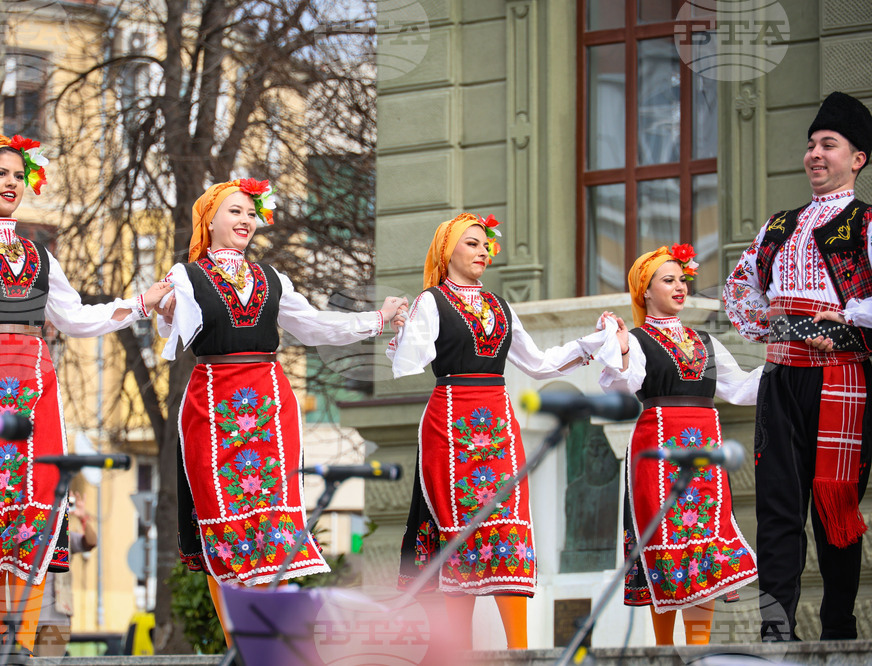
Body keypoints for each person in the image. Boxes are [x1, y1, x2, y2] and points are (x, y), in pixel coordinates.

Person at [0, 134, 171, 657]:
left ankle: (23, 652)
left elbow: (74, 318)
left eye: (17, 175)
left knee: (36, 509)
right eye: (0, 174)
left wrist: (140, 304)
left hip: (35, 384)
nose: (11, 183)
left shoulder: (39, 256)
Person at [155, 178, 407, 644]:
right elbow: (171, 332)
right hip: (213, 405)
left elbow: (314, 325)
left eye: (251, 213)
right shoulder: (186, 275)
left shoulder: (272, 279)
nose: (245, 220)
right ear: (209, 219)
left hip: (270, 404)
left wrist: (375, 318)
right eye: (235, 211)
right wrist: (165, 308)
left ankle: (281, 643)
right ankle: (243, 647)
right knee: (224, 523)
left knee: (272, 522)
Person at [385, 213, 618, 650]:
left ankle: (521, 652)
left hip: (497, 420)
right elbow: (406, 364)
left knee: (509, 528)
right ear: (446, 250)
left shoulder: (500, 306)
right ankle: (458, 654)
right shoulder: (433, 302)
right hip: (451, 422)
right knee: (461, 535)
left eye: (485, 244)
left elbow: (539, 363)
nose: (482, 251)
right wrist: (404, 327)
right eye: (472, 243)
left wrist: (594, 342)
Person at [724, 91, 872, 641]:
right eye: (811, 144)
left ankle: (837, 628)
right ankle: (776, 628)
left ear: (857, 158)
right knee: (778, 505)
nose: (814, 154)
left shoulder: (863, 222)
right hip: (782, 377)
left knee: (836, 506)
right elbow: (740, 289)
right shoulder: (780, 225)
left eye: (828, 144)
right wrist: (783, 327)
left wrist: (843, 318)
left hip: (842, 379)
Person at [600, 244, 760, 645]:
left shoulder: (704, 341)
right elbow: (624, 385)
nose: (679, 287)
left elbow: (740, 388)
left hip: (704, 448)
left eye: (682, 280)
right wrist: (618, 349)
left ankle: (699, 648)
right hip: (658, 449)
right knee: (663, 540)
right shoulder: (636, 340)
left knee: (700, 542)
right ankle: (663, 650)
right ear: (645, 292)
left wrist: (785, 365)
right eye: (668, 280)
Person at [34, 492, 97, 657]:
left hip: (57, 617)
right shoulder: (26, 533)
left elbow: (91, 542)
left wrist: (82, 518)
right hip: (26, 614)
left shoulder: (64, 536)